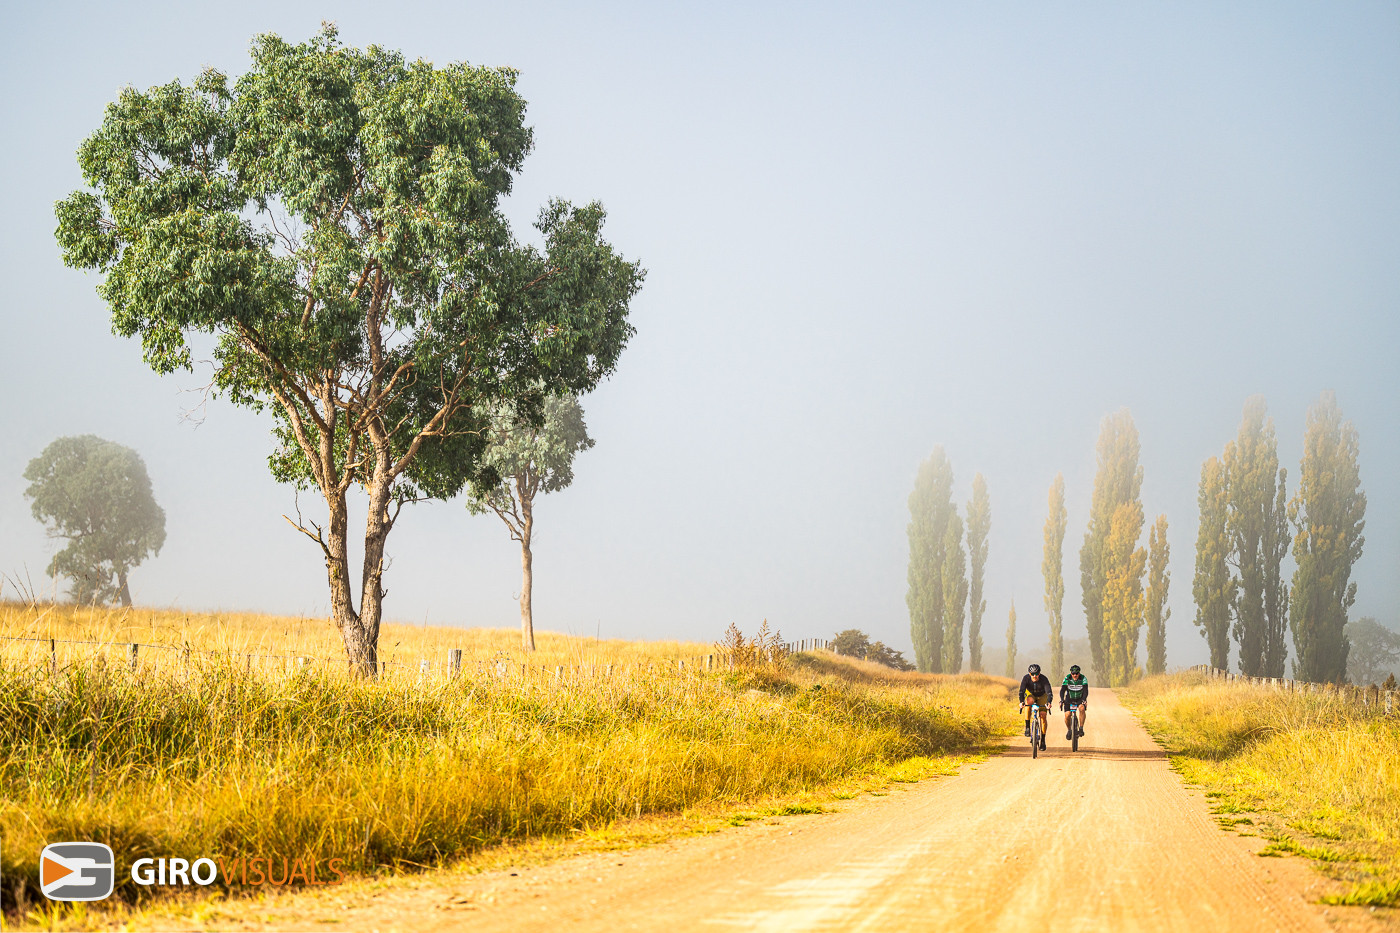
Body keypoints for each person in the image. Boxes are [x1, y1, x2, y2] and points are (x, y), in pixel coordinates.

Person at [1018, 663, 1053, 749]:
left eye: (1037, 674)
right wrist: (1021, 702)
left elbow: (1049, 692)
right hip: (1032, 694)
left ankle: (1043, 741)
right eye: (1032, 674)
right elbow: (1021, 691)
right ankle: (1027, 727)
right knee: (1028, 702)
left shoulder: (1044, 679)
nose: (1035, 676)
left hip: (1042, 695)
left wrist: (1049, 702)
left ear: (1039, 673)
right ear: (1029, 674)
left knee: (1043, 716)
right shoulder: (1026, 678)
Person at [1060, 664, 1089, 739]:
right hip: (1069, 699)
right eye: (1073, 673)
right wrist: (1061, 700)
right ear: (1071, 673)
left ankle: (1081, 728)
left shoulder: (1083, 678)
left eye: (1076, 673)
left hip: (1080, 699)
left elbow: (1085, 690)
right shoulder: (1067, 678)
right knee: (1067, 715)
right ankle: (1069, 730)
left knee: (1082, 709)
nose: (1075, 675)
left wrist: (1084, 699)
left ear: (1079, 673)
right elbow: (1062, 690)